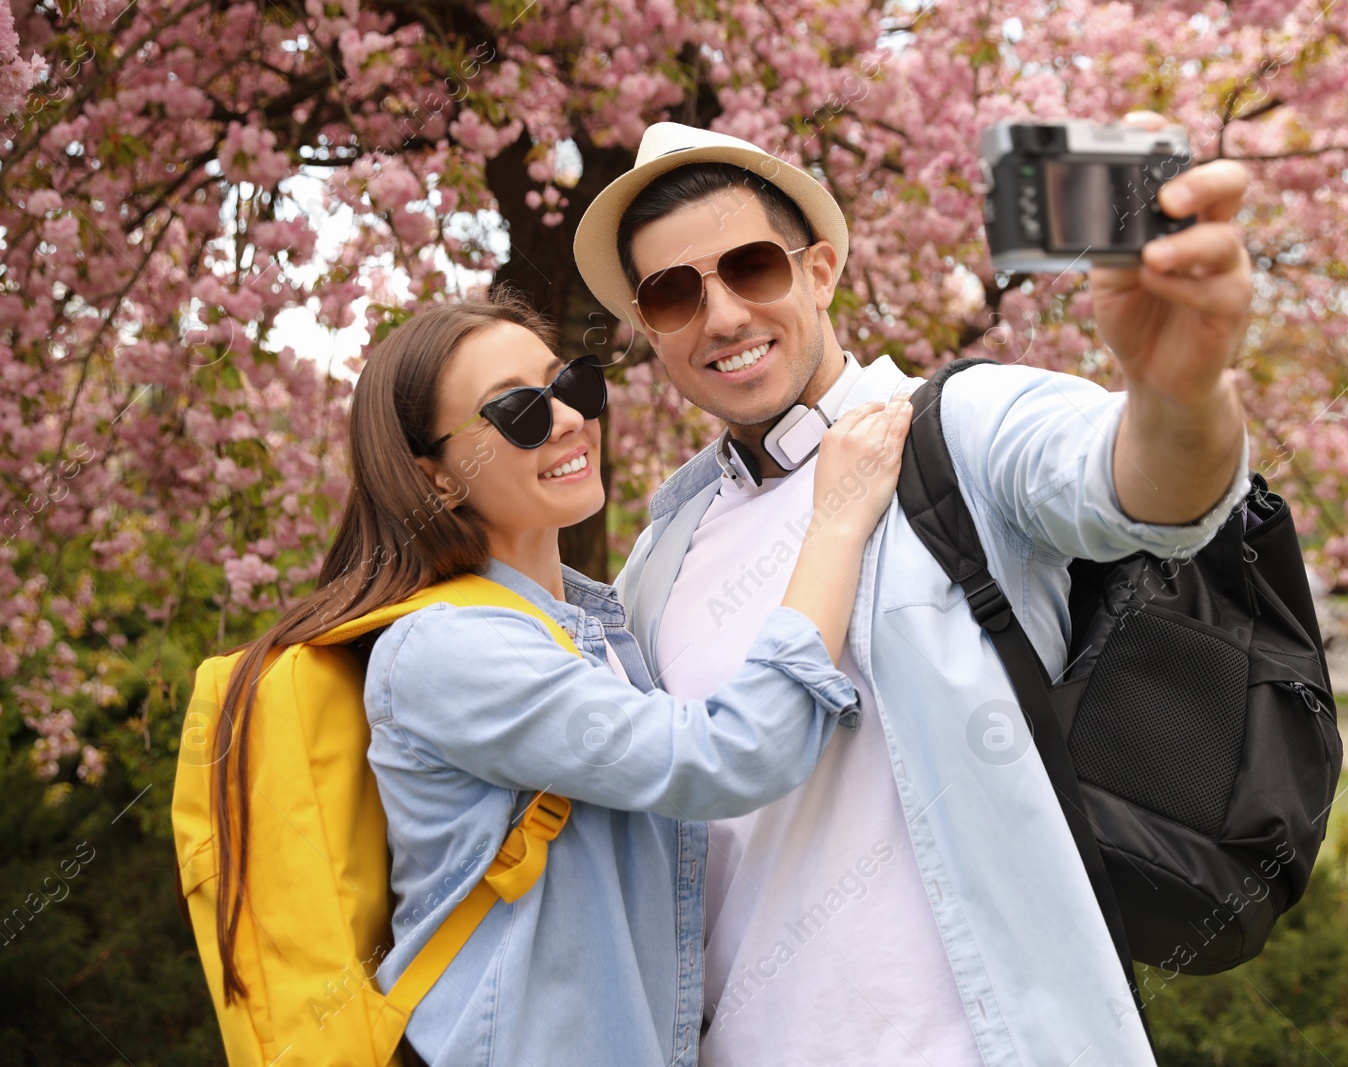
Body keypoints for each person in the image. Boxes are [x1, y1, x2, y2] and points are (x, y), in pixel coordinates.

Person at [572, 118, 1255, 1066]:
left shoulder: (954, 431)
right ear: (649, 329)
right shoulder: (659, 556)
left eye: (753, 267)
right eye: (675, 293)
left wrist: (1180, 394)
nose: (722, 315)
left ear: (818, 270)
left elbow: (1138, 490)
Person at [205, 291, 913, 1066]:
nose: (570, 419)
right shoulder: (448, 648)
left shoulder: (603, 631)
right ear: (435, 479)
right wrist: (836, 521)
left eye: (571, 385)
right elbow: (727, 755)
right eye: (518, 412)